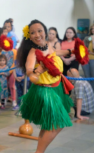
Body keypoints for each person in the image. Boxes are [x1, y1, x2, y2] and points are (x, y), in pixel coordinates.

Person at [17, 20, 74, 153]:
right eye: (33, 33)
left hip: (56, 88)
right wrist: (38, 70)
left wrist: (71, 51)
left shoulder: (48, 45)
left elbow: (55, 53)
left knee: (49, 124)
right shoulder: (33, 52)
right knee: (57, 124)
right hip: (45, 91)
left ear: (45, 31)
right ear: (29, 36)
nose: (37, 35)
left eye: (40, 31)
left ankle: (39, 151)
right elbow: (30, 74)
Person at [82, 24, 94, 90]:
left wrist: (93, 42)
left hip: (93, 59)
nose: (93, 30)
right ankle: (88, 91)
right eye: (92, 29)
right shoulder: (89, 38)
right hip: (86, 59)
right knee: (87, 77)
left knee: (93, 77)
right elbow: (84, 46)